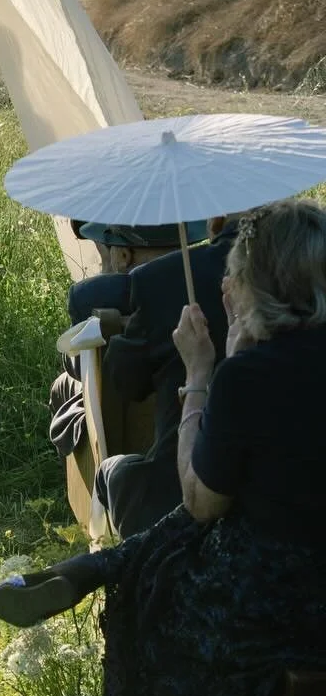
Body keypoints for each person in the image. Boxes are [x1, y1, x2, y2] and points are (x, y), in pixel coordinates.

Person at [0, 200, 326, 696]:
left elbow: (202, 502)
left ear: (260, 286)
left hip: (275, 609)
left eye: (235, 274)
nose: (226, 285)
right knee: (175, 547)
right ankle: (95, 566)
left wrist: (203, 372)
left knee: (152, 600)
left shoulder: (250, 379)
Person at [91, 215, 237, 535]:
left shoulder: (162, 280)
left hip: (177, 504)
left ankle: (97, 546)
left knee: (113, 472)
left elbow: (124, 382)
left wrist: (196, 373)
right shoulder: (306, 272)